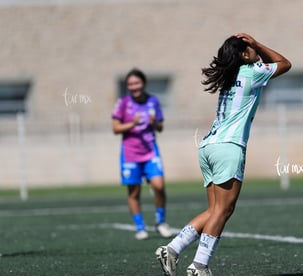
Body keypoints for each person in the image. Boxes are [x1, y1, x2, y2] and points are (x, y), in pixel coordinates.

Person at [155, 33, 291, 276]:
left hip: (209, 146)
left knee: (213, 211)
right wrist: (257, 43)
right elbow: (285, 63)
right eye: (248, 48)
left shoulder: (230, 76)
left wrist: (251, 47)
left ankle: (173, 249)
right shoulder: (252, 73)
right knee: (223, 211)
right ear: (242, 54)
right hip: (229, 147)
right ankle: (199, 266)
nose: (253, 50)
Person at [112, 68, 172, 240]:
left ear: (143, 83)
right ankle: (140, 227)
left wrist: (155, 124)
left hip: (150, 151)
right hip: (130, 154)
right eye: (130, 84)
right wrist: (132, 123)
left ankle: (160, 222)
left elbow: (160, 128)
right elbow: (115, 128)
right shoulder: (123, 103)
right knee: (134, 192)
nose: (133, 86)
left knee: (159, 186)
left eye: (136, 83)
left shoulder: (153, 101)